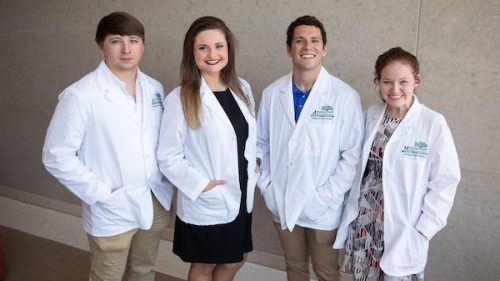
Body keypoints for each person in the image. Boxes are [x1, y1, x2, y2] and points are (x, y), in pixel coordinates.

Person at [42, 12, 173, 281]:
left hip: (154, 198)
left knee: (144, 270)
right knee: (107, 276)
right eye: (116, 41)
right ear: (101, 46)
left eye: (133, 40)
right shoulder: (81, 95)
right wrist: (102, 193)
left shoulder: (155, 88)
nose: (126, 49)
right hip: (111, 204)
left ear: (143, 45)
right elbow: (56, 155)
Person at [334, 47, 461, 280]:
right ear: (378, 83)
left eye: (403, 81)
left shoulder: (432, 123)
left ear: (416, 81)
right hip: (365, 220)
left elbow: (446, 181)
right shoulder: (370, 115)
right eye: (387, 82)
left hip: (404, 226)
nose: (395, 89)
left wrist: (424, 230)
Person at [256, 15, 364, 281]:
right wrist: (268, 188)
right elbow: (260, 145)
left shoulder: (344, 96)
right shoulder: (272, 94)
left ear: (324, 48)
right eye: (300, 40)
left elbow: (352, 156)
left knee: (326, 270)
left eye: (315, 40)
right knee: (294, 267)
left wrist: (326, 197)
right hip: (282, 198)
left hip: (323, 205)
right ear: (289, 48)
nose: (308, 46)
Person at [157, 16, 258, 281]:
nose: (212, 54)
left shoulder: (242, 88)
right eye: (203, 47)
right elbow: (167, 156)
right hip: (208, 194)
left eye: (219, 46)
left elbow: (246, 136)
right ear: (192, 52)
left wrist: (254, 162)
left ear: (228, 49)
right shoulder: (181, 98)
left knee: (236, 258)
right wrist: (201, 184)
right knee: (204, 265)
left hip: (241, 191)